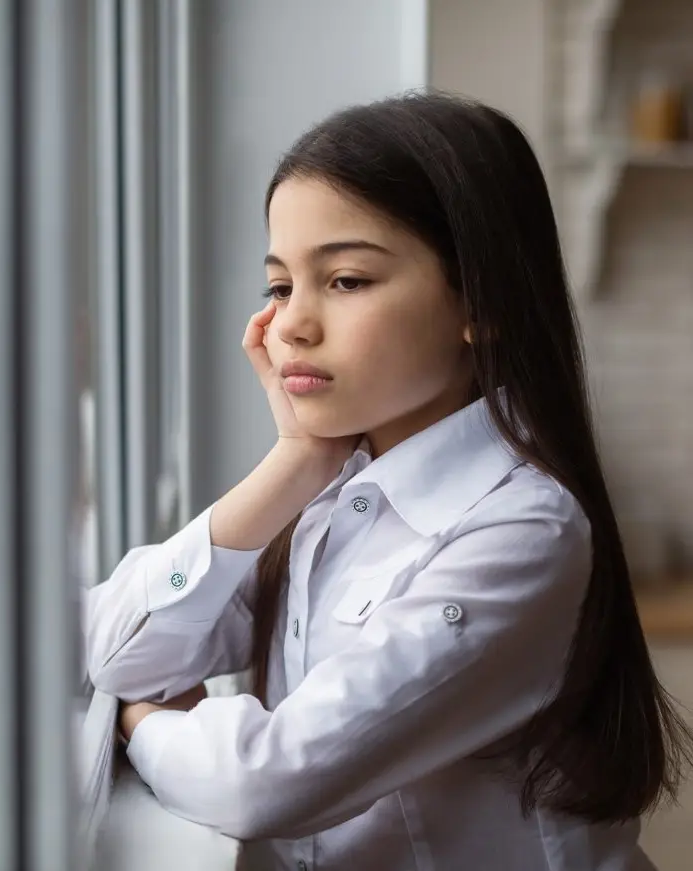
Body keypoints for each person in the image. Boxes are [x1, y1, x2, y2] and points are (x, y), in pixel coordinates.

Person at [85, 92, 693, 871]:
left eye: (344, 280)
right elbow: (110, 648)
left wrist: (140, 723)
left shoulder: (522, 528)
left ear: (479, 299)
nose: (293, 325)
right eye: (279, 287)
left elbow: (269, 782)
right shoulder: (324, 492)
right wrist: (293, 460)